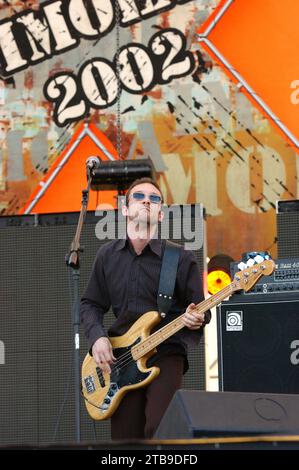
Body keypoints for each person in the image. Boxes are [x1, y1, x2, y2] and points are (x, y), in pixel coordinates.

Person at [81, 177, 210, 440]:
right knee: (125, 438)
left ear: (161, 214)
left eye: (154, 198)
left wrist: (197, 317)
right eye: (139, 197)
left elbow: (202, 310)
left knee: (160, 429)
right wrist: (97, 338)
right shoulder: (107, 255)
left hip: (165, 353)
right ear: (125, 210)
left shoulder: (181, 258)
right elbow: (90, 304)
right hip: (120, 359)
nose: (146, 202)